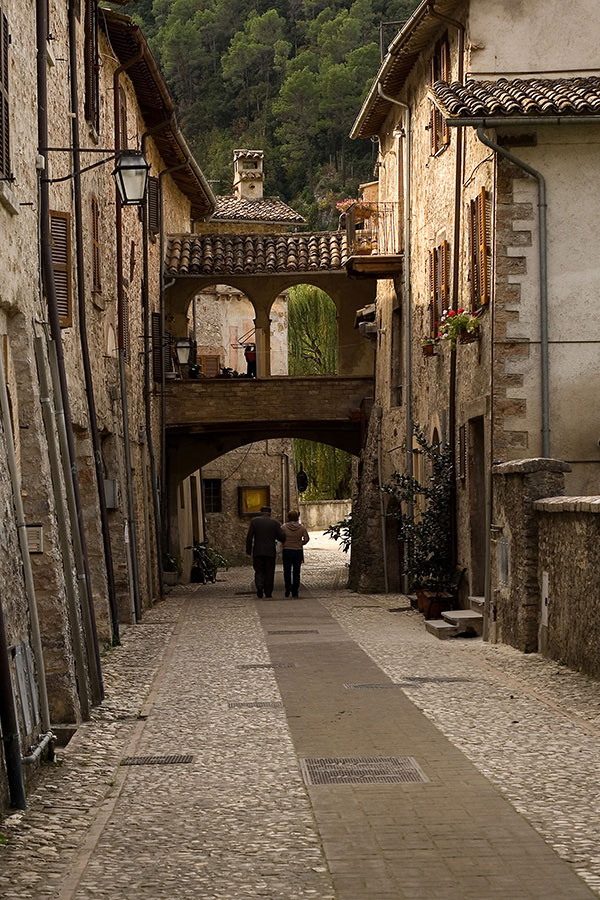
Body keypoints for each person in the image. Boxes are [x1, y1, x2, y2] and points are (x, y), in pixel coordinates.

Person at [245, 506, 285, 598]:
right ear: (270, 513)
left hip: (258, 551)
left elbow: (249, 536)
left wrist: (248, 550)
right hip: (270, 551)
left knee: (258, 570)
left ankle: (259, 586)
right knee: (269, 572)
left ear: (261, 512)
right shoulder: (275, 523)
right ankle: (268, 592)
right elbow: (281, 537)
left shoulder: (254, 521)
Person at [281, 510, 310, 598]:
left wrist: (285, 542)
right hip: (297, 551)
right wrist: (301, 543)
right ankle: (295, 591)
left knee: (287, 571)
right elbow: (306, 538)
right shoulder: (302, 528)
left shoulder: (284, 527)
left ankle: (287, 588)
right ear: (297, 517)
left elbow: (281, 537)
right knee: (296, 571)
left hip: (287, 550)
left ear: (289, 517)